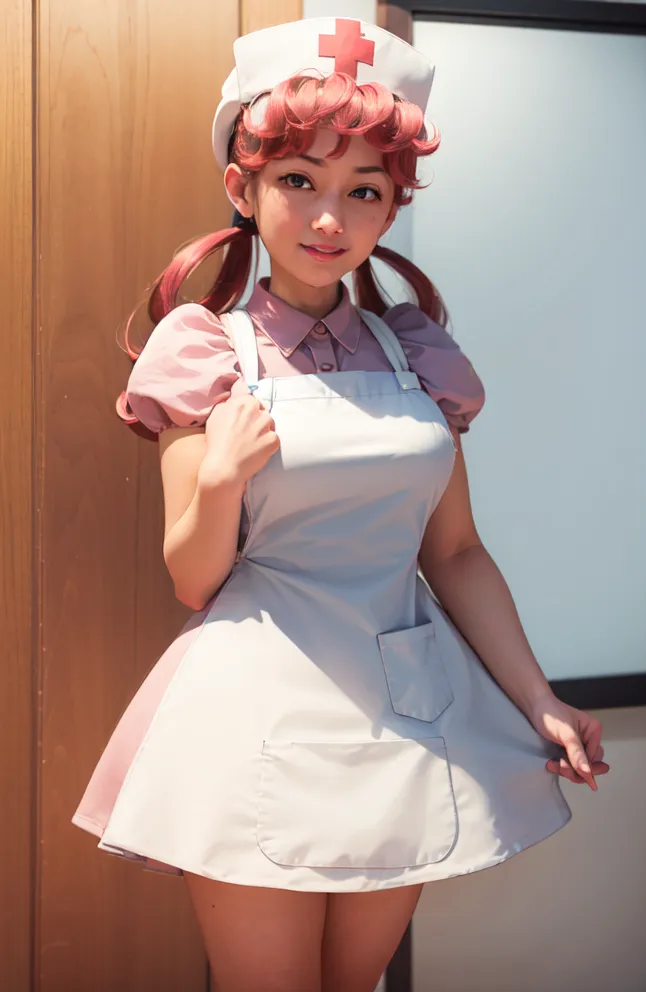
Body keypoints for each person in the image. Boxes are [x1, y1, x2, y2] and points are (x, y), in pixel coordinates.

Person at [72, 17, 610, 992]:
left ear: (391, 205)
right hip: (255, 706)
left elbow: (454, 555)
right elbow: (192, 577)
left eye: (363, 190)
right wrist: (222, 474)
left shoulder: (418, 354)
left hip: (405, 712)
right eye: (299, 182)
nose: (330, 218)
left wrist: (539, 697)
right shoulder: (204, 352)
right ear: (243, 190)